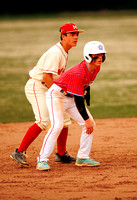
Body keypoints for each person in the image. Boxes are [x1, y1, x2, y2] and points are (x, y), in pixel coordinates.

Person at [10, 23, 84, 167]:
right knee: (43, 120)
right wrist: (62, 93)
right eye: (72, 34)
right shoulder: (55, 52)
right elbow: (46, 77)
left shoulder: (64, 51)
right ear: (63, 36)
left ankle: (61, 154)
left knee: (63, 119)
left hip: (47, 87)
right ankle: (19, 151)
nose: (76, 37)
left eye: (77, 35)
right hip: (37, 87)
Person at [36, 41, 107, 171]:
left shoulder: (96, 67)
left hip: (71, 97)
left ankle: (82, 157)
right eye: (96, 55)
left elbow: (85, 85)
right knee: (57, 126)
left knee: (91, 124)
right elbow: (79, 100)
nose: (100, 57)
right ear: (88, 56)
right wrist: (86, 119)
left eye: (102, 55)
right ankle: (42, 160)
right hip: (56, 96)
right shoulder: (78, 73)